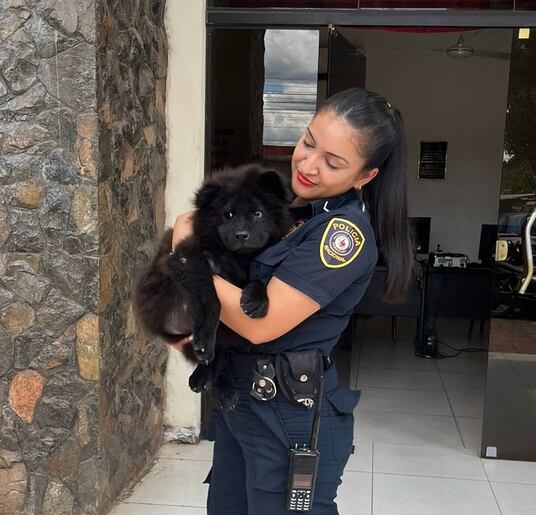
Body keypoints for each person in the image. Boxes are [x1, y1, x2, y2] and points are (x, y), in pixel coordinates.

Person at [169, 87, 413, 514]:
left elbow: (260, 323)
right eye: (309, 142)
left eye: (333, 163)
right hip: (240, 402)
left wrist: (186, 251)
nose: (308, 164)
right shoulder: (286, 211)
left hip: (288, 415)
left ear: (365, 177)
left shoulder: (342, 235)